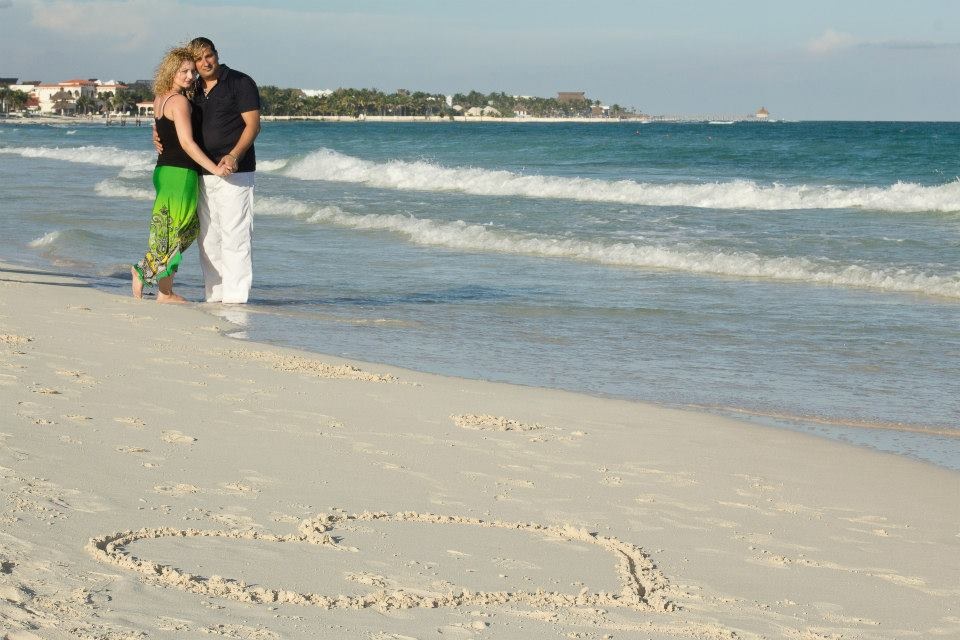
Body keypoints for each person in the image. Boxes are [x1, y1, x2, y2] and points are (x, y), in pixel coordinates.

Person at [156, 37, 261, 304]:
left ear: (216, 54)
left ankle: (235, 300)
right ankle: (214, 297)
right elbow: (172, 117)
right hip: (201, 172)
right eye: (198, 59)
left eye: (208, 55)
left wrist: (234, 155)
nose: (204, 63)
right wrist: (157, 135)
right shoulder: (192, 88)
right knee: (208, 239)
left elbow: (253, 125)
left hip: (235, 173)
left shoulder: (240, 82)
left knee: (235, 236)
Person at [132, 47, 228, 303]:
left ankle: (164, 291)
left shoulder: (161, 98)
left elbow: (163, 131)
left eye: (192, 72)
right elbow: (187, 143)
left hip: (164, 171)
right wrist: (215, 168)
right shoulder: (180, 102)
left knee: (181, 228)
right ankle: (143, 271)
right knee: (175, 231)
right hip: (180, 173)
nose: (190, 76)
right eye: (183, 71)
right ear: (170, 71)